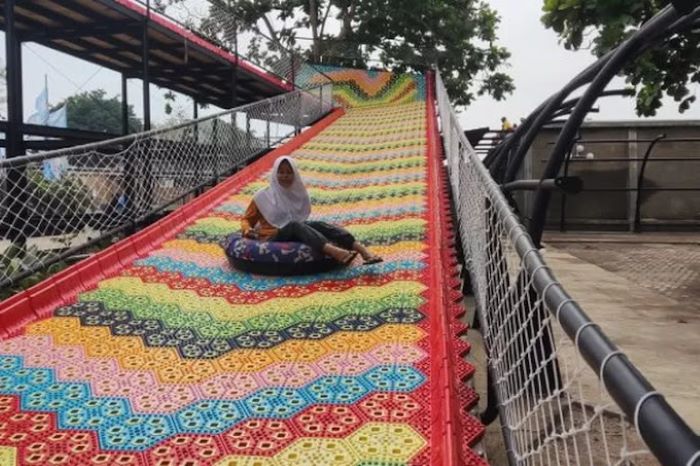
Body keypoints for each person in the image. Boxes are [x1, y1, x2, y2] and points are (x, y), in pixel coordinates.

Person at [241, 155, 383, 266]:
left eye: (289, 173)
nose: (285, 176)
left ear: (294, 175)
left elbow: (301, 219)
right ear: (275, 174)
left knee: (317, 224)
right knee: (294, 225)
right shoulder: (262, 196)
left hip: (293, 232)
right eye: (281, 172)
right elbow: (246, 219)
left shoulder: (297, 193)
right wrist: (247, 229)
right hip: (271, 236)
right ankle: (335, 252)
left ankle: (363, 251)